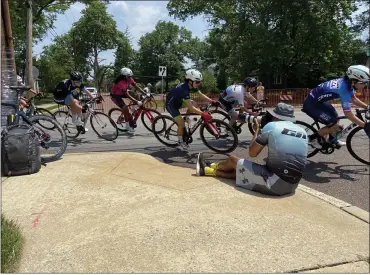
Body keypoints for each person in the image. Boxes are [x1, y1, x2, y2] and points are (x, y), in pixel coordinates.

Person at [196, 102, 308, 196]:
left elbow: (252, 153)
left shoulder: (272, 126)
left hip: (273, 184)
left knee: (232, 160)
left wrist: (257, 131)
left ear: (276, 116)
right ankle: (208, 170)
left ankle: (210, 167)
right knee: (241, 172)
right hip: (292, 186)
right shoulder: (302, 131)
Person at [302, 64, 370, 148]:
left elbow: (353, 99)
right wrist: (364, 125)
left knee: (335, 118)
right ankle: (312, 139)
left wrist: (367, 107)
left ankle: (332, 139)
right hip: (311, 105)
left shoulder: (348, 84)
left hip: (318, 102)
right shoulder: (343, 89)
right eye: (363, 82)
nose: (365, 85)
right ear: (354, 80)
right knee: (335, 126)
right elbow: (348, 114)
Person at [165, 69, 217, 150]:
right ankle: (180, 141)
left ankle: (185, 118)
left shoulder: (190, 85)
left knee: (194, 103)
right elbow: (191, 108)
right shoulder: (184, 89)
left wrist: (212, 101)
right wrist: (203, 114)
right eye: (197, 82)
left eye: (199, 82)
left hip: (179, 101)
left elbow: (201, 95)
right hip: (171, 105)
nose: (198, 84)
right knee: (181, 124)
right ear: (189, 81)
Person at [110, 67, 146, 133]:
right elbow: (127, 94)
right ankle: (127, 126)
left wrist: (145, 93)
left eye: (130, 76)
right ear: (123, 76)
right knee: (126, 109)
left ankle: (134, 109)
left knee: (136, 95)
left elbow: (136, 86)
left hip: (122, 92)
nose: (130, 78)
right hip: (116, 96)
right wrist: (136, 101)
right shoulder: (120, 82)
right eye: (128, 77)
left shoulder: (129, 79)